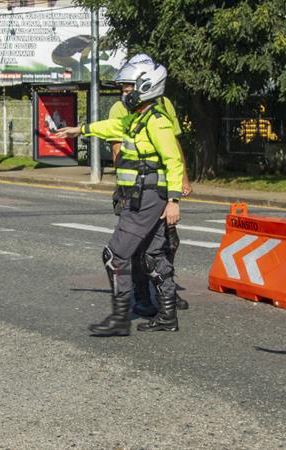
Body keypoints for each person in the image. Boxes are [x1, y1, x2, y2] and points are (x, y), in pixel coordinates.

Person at [55, 57, 184, 336]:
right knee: (152, 256)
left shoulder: (157, 122)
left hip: (147, 198)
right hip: (142, 196)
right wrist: (81, 130)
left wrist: (174, 201)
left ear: (145, 86)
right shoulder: (137, 119)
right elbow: (111, 127)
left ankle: (120, 318)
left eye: (127, 88)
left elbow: (174, 160)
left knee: (115, 255)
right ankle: (167, 316)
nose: (124, 93)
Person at [107, 54, 192, 317]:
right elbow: (118, 148)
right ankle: (142, 297)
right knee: (135, 245)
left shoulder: (164, 103)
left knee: (167, 242)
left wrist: (183, 178)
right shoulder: (121, 107)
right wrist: (126, 186)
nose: (125, 90)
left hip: (161, 187)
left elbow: (174, 144)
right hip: (135, 186)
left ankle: (166, 292)